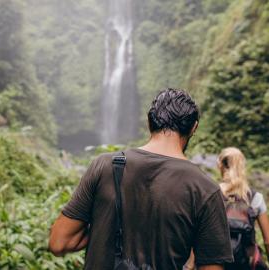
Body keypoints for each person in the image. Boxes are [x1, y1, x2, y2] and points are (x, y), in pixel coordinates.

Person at [49, 88, 233, 269]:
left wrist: (104, 226)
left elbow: (59, 243)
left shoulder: (104, 165)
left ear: (149, 122)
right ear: (194, 128)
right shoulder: (205, 188)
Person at [218, 147, 269, 269]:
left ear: (220, 165)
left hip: (216, 263)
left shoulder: (210, 194)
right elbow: (267, 240)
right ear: (243, 166)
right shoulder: (255, 198)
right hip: (246, 263)